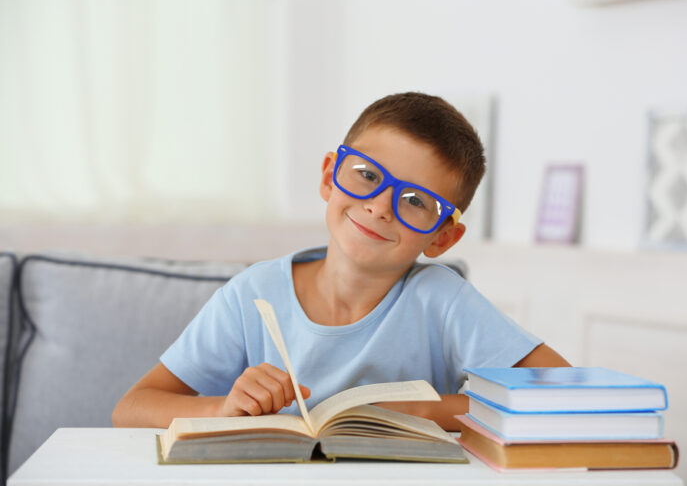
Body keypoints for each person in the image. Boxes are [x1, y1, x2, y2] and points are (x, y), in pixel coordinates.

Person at [112, 92, 569, 431]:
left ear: (443, 237)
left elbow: (562, 392)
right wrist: (224, 409)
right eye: (367, 176)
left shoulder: (443, 300)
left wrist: (426, 410)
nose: (380, 207)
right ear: (330, 176)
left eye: (414, 200)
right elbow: (131, 409)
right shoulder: (252, 294)